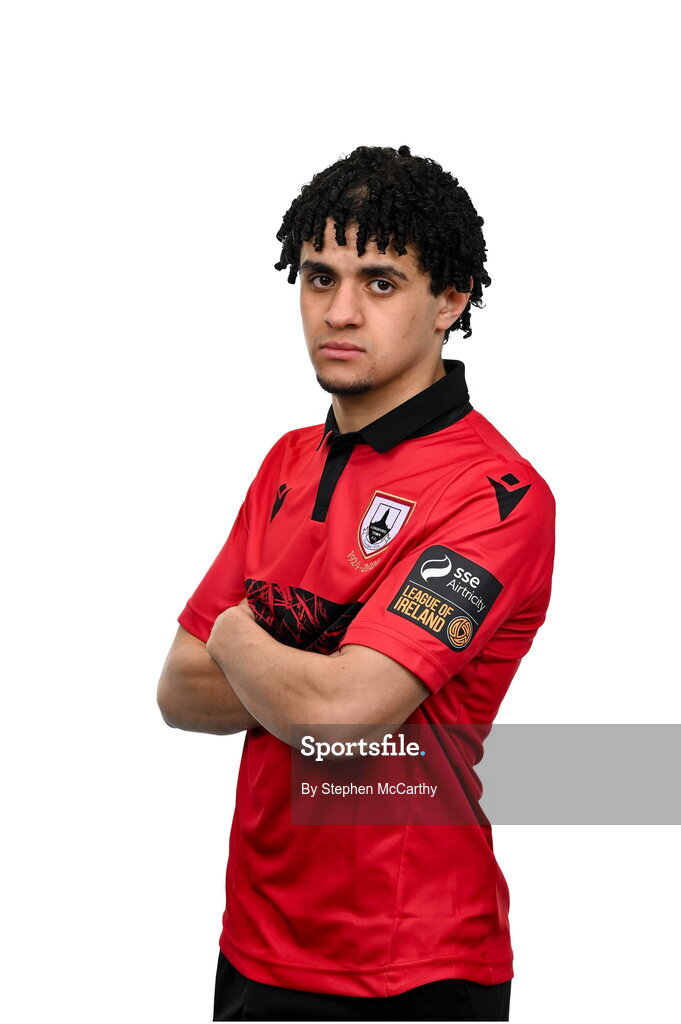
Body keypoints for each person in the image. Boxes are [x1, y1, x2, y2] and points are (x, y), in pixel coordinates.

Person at [157, 144, 555, 1022]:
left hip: (412, 963)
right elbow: (178, 693)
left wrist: (236, 632)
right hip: (255, 941)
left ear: (449, 300)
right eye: (318, 278)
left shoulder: (495, 495)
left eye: (380, 282)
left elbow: (337, 720)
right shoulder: (286, 461)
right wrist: (315, 673)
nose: (339, 312)